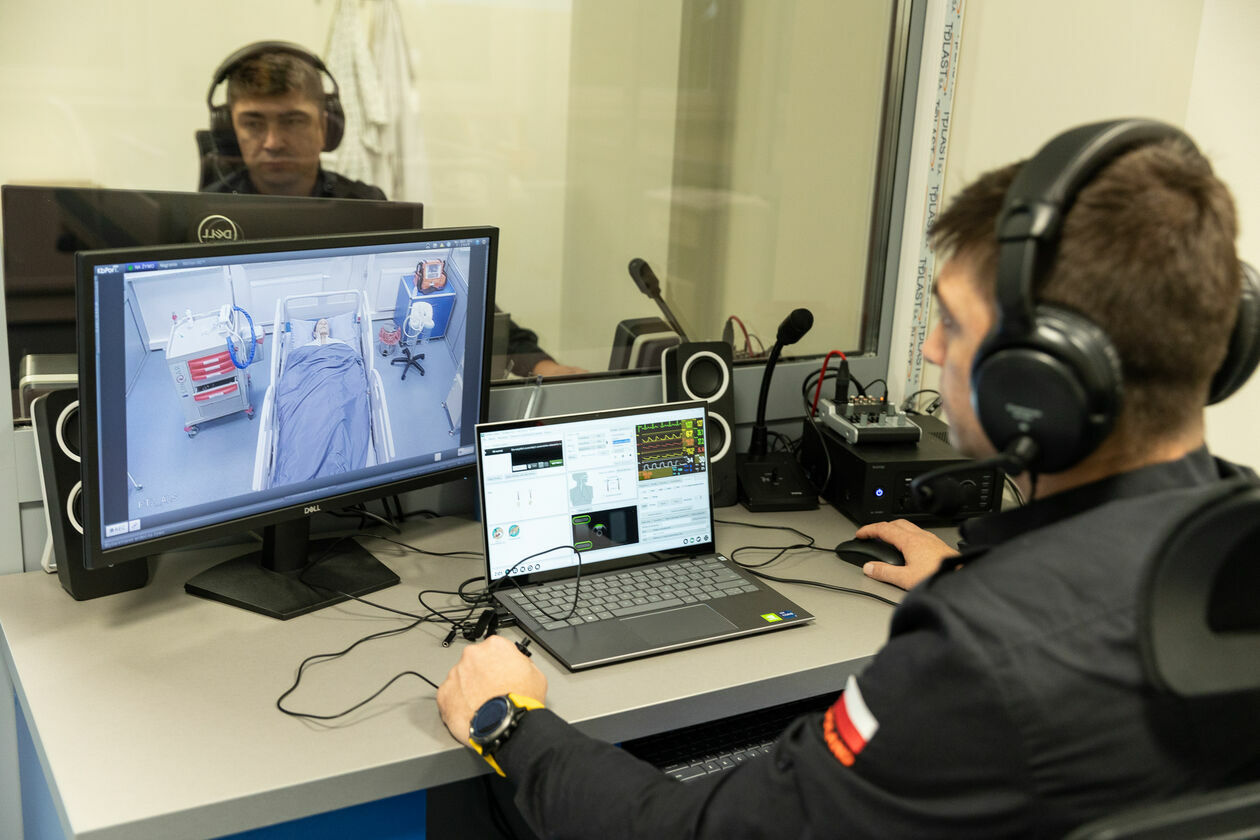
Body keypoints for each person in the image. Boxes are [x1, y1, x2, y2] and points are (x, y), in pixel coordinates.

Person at [435, 122, 1260, 838]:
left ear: (1039, 377)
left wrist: (511, 722)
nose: (930, 350)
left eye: (952, 321)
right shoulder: (1234, 556)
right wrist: (982, 582)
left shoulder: (971, 661)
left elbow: (690, 832)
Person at [201, 44, 386, 199]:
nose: (273, 144)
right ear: (230, 132)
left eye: (293, 122)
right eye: (253, 124)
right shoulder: (206, 209)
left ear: (323, 128)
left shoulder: (368, 208)